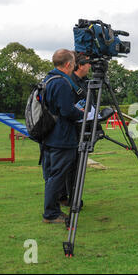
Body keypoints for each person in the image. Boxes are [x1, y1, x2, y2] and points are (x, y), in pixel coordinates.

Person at [41, 49, 84, 223]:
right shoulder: (61, 83)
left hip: (48, 135)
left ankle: (53, 209)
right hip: (62, 137)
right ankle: (51, 213)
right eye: (73, 63)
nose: (74, 66)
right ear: (67, 64)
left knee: (51, 175)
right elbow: (67, 111)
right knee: (57, 176)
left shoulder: (48, 79)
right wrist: (81, 113)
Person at [59, 52, 92, 207]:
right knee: (72, 164)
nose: (90, 66)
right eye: (88, 63)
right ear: (79, 65)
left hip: (82, 125)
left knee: (76, 164)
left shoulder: (86, 82)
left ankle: (68, 196)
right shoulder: (68, 81)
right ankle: (71, 198)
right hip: (71, 127)